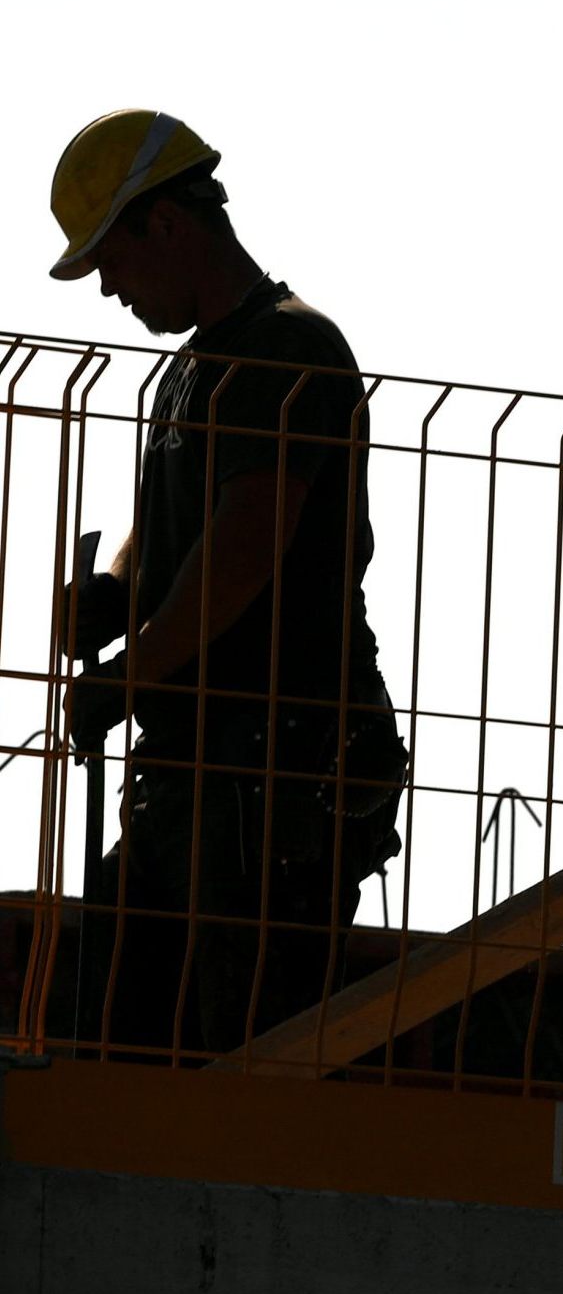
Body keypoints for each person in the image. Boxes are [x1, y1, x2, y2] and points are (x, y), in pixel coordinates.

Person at [50, 109, 405, 1055]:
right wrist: (120, 591)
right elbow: (174, 528)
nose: (109, 291)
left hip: (274, 765)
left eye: (111, 261)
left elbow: (246, 546)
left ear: (165, 223)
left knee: (238, 1045)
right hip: (200, 768)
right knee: (120, 1032)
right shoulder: (195, 371)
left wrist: (131, 674)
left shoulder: (288, 353)